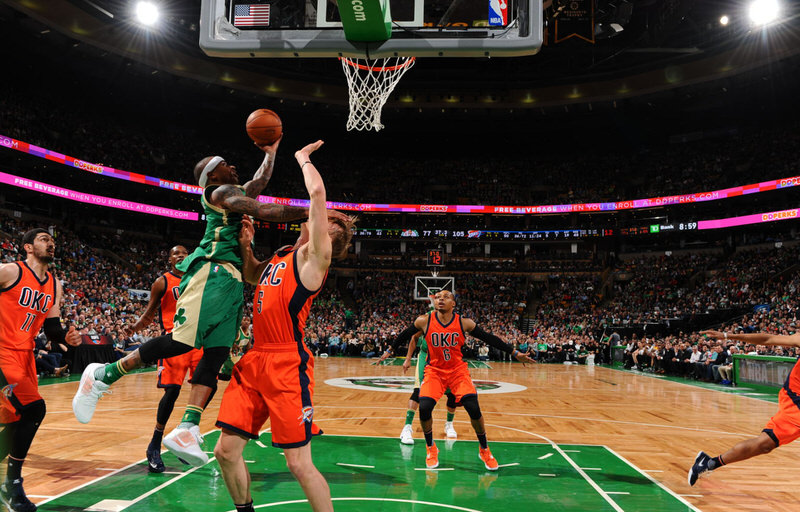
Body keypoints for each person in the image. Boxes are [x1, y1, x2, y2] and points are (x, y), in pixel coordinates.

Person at [73, 138, 347, 466]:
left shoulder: (233, 191)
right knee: (182, 340)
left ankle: (188, 427)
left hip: (231, 278)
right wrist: (316, 212)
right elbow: (263, 210)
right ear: (213, 177)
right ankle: (104, 374)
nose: (232, 166)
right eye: (224, 165)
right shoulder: (219, 194)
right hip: (211, 269)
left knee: (217, 353)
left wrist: (270, 153)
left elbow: (259, 183)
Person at [213, 140, 355, 512]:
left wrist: (302, 159)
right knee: (225, 451)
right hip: (254, 359)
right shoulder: (283, 256)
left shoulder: (314, 261)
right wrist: (246, 245)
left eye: (319, 217)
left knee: (297, 463)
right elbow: (251, 276)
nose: (310, 216)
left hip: (286, 365)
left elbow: (318, 192)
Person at [388, 290, 535, 470]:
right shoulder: (423, 321)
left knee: (473, 407)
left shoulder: (464, 322)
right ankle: (431, 448)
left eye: (446, 297)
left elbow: (489, 338)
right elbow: (404, 335)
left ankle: (484, 449)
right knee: (424, 407)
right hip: (434, 371)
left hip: (457, 372)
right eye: (438, 297)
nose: (441, 299)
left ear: (454, 304)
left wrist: (514, 352)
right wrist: (390, 350)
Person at [0, 229, 81, 511]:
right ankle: (12, 484)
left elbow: (52, 328)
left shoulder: (54, 285)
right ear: (28, 247)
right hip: (1, 353)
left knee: (16, 420)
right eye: (44, 239)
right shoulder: (10, 271)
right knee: (35, 409)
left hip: (26, 356)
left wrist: (65, 338)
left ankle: (8, 484)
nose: (51, 243)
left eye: (53, 241)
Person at [119, 245, 203, 473]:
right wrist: (134, 327)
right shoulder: (162, 282)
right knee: (172, 392)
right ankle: (155, 444)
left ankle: (185, 437)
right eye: (175, 253)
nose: (180, 256)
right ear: (169, 259)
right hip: (173, 342)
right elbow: (148, 315)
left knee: (203, 388)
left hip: (198, 341)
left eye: (184, 253)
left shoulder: (198, 278)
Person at [688, 329, 800, 486]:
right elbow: (768, 339)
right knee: (764, 444)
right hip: (795, 403)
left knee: (764, 446)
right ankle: (710, 463)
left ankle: (710, 463)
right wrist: (728, 336)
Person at [377, 329, 460, 445]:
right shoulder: (426, 319)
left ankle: (449, 425)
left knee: (452, 394)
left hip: (447, 360)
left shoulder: (453, 320)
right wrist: (407, 359)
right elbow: (413, 337)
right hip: (426, 358)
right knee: (418, 391)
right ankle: (407, 427)